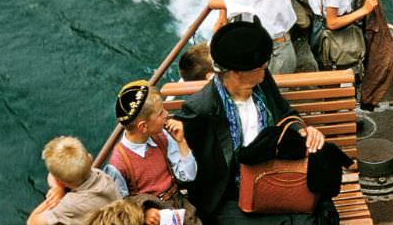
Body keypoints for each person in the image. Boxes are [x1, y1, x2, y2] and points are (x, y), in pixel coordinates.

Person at [174, 17, 335, 225]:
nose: (265, 66)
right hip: (231, 196)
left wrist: (303, 130)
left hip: (272, 175)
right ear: (235, 73)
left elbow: (285, 112)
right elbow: (184, 164)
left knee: (320, 213)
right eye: (260, 66)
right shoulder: (200, 108)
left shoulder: (261, 79)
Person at [105, 81, 201, 225]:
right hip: (152, 217)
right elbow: (121, 205)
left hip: (179, 206)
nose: (166, 114)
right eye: (160, 113)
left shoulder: (162, 136)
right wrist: (144, 213)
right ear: (143, 127)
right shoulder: (118, 164)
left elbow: (188, 176)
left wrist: (181, 142)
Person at [27, 136, 121, 225]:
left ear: (60, 181)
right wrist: (59, 187)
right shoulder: (103, 177)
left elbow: (32, 222)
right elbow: (51, 176)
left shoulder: (69, 205)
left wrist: (58, 195)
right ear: (90, 158)